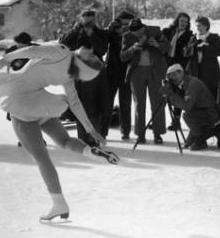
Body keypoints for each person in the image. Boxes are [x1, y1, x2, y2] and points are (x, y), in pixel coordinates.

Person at [0, 43, 119, 221]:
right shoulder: (69, 77)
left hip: (20, 101)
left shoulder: (61, 53)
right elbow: (75, 103)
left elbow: (33, 50)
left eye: (91, 56)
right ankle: (89, 151)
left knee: (41, 158)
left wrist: (6, 58)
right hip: (43, 102)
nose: (92, 53)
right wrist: (91, 130)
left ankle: (59, 204)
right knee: (64, 141)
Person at [59, 10, 110, 144]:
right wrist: (76, 30)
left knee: (96, 105)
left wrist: (92, 35)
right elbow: (62, 44)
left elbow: (103, 50)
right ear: (81, 20)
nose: (88, 24)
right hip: (77, 71)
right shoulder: (75, 32)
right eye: (86, 21)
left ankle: (95, 137)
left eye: (91, 21)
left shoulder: (101, 32)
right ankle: (83, 138)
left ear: (95, 20)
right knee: (80, 104)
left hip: (95, 71)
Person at [121, 24, 169, 145]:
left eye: (138, 32)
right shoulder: (127, 36)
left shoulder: (156, 31)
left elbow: (168, 47)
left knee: (157, 102)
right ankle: (140, 134)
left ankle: (157, 134)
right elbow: (123, 56)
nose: (136, 35)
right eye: (134, 33)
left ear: (143, 28)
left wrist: (157, 45)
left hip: (155, 71)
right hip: (137, 72)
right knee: (139, 104)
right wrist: (133, 48)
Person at [162, 63, 219, 151]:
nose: (172, 78)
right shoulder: (184, 83)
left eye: (174, 74)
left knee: (188, 116)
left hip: (210, 114)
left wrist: (171, 95)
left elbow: (187, 106)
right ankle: (201, 138)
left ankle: (200, 141)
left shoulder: (192, 84)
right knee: (190, 116)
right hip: (202, 113)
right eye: (169, 76)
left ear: (181, 73)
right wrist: (187, 143)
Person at [104, 10, 135, 140]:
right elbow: (104, 40)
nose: (125, 27)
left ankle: (125, 131)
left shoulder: (134, 31)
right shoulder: (112, 30)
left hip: (127, 71)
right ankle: (102, 131)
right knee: (107, 102)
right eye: (123, 24)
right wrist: (111, 30)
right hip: (111, 70)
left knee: (125, 103)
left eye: (128, 24)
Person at [162, 12, 194, 131]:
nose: (184, 24)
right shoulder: (167, 31)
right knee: (164, 92)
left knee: (178, 94)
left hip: (179, 68)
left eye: (186, 22)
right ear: (177, 21)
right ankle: (158, 120)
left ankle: (176, 121)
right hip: (165, 65)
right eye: (182, 21)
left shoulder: (189, 35)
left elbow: (188, 54)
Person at [185, 16, 220, 100]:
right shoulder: (193, 38)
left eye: (200, 25)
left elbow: (219, 51)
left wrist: (205, 47)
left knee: (212, 97)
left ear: (206, 26)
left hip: (211, 73)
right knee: (197, 98)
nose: (198, 28)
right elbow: (186, 53)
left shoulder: (213, 37)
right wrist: (194, 47)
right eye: (197, 26)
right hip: (196, 72)